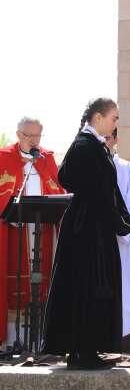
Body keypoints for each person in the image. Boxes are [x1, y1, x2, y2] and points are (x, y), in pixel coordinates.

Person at [41, 98, 130, 369]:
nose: (116, 123)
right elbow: (67, 177)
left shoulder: (93, 145)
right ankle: (82, 351)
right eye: (114, 117)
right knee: (86, 284)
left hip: (94, 225)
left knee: (93, 284)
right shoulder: (85, 144)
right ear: (98, 117)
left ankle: (87, 348)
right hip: (86, 228)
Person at [0, 117, 64, 349]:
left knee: (42, 286)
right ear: (18, 135)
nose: (35, 140)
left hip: (42, 229)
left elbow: (58, 188)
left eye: (38, 135)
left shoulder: (47, 158)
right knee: (14, 286)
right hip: (13, 232)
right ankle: (11, 340)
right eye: (30, 136)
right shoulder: (3, 157)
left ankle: (39, 342)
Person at [105, 129, 130, 353]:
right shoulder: (85, 165)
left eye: (107, 137)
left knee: (123, 294)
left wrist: (119, 231)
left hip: (119, 240)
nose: (104, 141)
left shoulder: (126, 168)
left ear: (116, 139)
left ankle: (122, 344)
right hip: (95, 240)